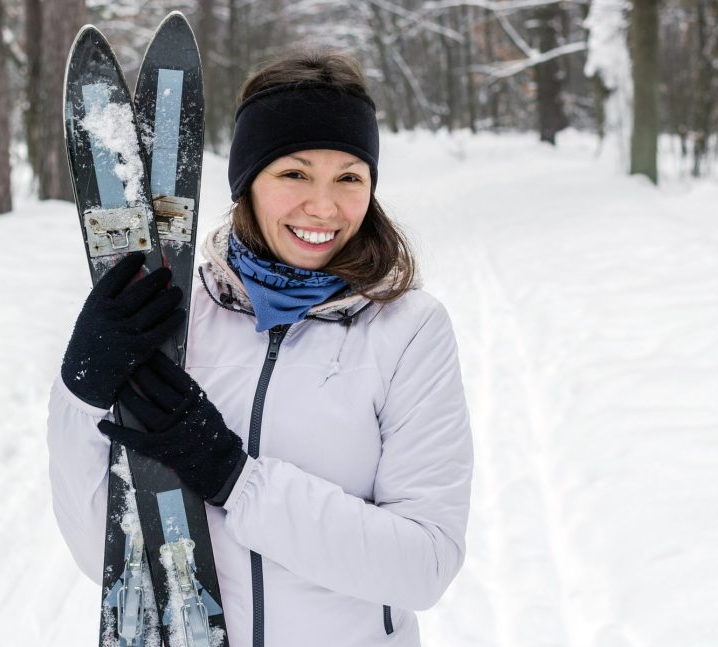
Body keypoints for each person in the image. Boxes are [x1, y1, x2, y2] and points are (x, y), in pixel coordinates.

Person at [47, 50, 473, 647]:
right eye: (294, 174)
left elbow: (424, 566)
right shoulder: (176, 317)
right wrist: (80, 394)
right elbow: (104, 557)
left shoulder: (409, 332)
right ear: (247, 182)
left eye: (349, 176)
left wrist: (233, 478)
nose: (323, 207)